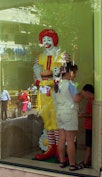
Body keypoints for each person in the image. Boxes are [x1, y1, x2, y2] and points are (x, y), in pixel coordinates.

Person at [33, 29, 66, 160]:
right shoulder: (39, 57)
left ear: (54, 40)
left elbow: (65, 74)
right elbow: (35, 75)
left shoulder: (62, 55)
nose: (46, 42)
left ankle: (59, 149)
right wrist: (39, 81)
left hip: (57, 92)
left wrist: (55, 80)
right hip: (43, 93)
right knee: (47, 120)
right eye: (44, 40)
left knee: (57, 120)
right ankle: (51, 147)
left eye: (49, 39)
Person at [54, 61, 82, 171]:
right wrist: (81, 95)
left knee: (61, 138)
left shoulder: (58, 85)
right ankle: (72, 164)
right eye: (74, 73)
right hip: (69, 113)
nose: (74, 75)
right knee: (70, 140)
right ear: (69, 72)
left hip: (60, 113)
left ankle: (62, 161)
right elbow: (76, 99)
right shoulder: (70, 85)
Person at [78, 84, 94, 168]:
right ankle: (88, 160)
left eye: (84, 95)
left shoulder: (92, 101)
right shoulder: (90, 100)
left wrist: (83, 115)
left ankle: (85, 162)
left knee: (88, 145)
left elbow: (92, 114)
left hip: (90, 127)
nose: (83, 97)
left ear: (88, 92)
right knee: (89, 145)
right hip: (89, 126)